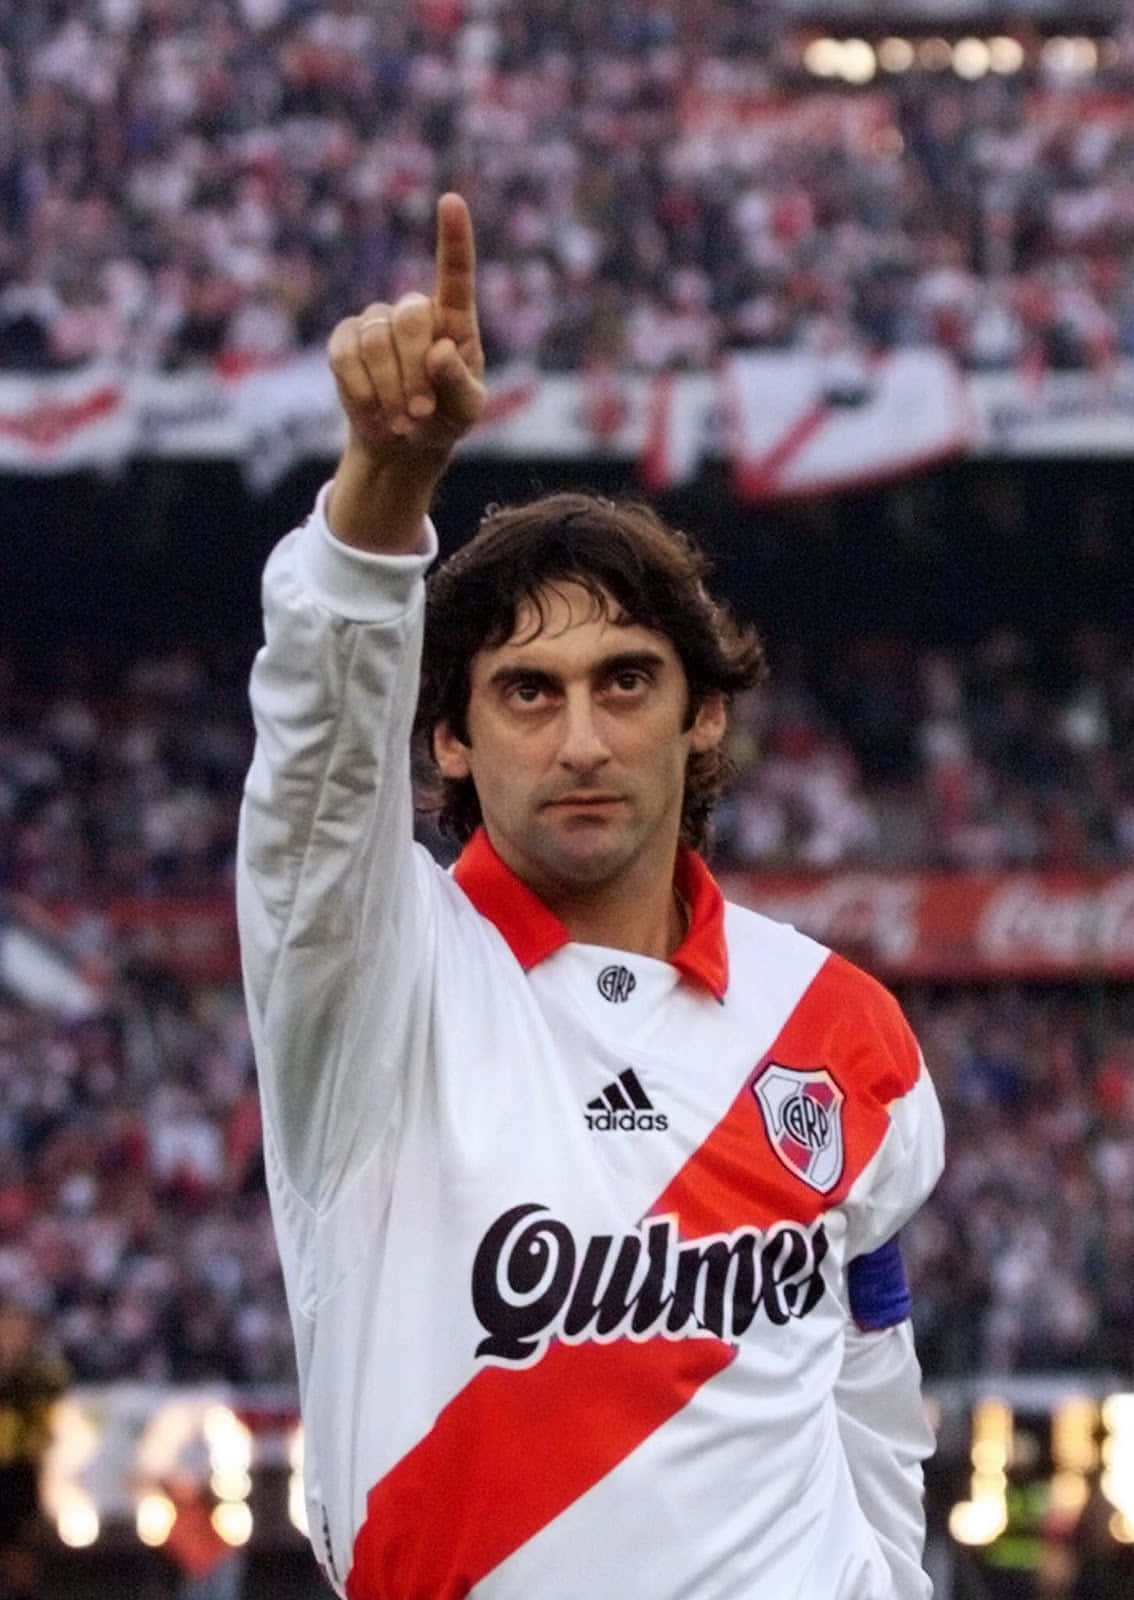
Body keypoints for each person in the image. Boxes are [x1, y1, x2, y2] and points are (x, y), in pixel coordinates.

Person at [237, 193, 946, 1600]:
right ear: (448, 736)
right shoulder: (371, 981)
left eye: (625, 682)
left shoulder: (840, 1027)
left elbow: (871, 1397)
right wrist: (381, 493)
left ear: (701, 716)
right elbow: (315, 761)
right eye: (526, 692)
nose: (579, 740)